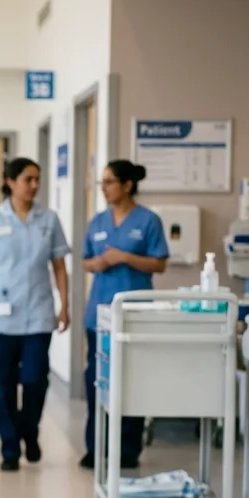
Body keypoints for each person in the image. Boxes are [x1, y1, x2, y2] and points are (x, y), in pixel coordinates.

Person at [0, 157, 70, 471]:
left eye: (37, 179)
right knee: (3, 384)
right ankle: (10, 448)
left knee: (35, 379)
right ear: (10, 182)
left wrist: (65, 304)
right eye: (28, 179)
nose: (34, 185)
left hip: (38, 314)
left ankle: (30, 431)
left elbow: (60, 267)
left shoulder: (48, 220)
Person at [79, 159, 169, 470]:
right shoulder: (98, 221)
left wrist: (125, 257)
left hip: (135, 314)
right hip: (99, 315)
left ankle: (128, 450)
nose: (103, 188)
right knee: (96, 379)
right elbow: (85, 261)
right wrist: (99, 263)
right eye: (102, 182)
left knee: (133, 381)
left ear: (127, 185)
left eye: (109, 182)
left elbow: (159, 263)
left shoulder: (148, 221)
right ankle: (95, 447)